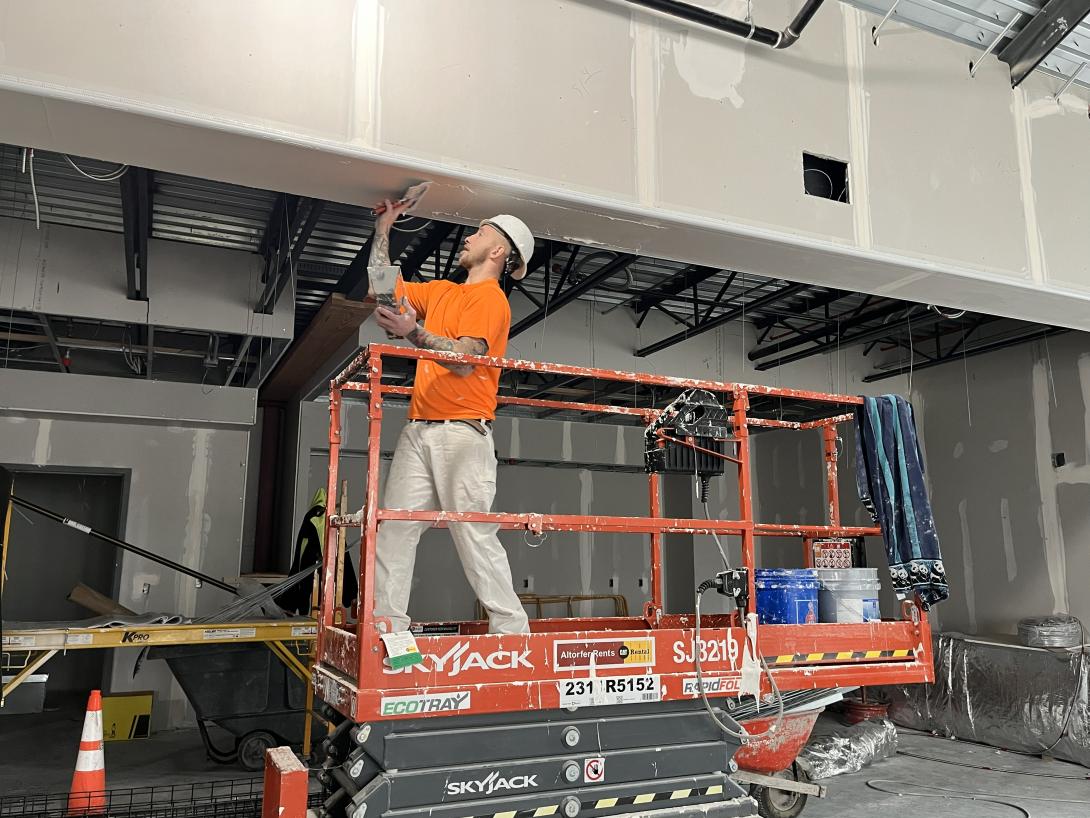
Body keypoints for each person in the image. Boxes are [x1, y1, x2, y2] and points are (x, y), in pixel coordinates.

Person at [366, 198, 534, 634]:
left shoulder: (490, 301)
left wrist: (414, 332)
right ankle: (388, 630)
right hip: (419, 430)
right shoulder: (442, 291)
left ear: (498, 251)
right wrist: (385, 228)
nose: (468, 237)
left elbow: (465, 359)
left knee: (472, 534)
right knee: (395, 530)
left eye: (479, 233)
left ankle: (512, 632)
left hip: (462, 432)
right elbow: (384, 292)